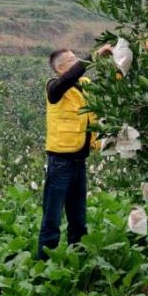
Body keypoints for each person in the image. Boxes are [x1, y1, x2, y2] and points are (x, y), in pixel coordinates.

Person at [37, 44, 112, 260]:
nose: (76, 62)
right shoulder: (55, 88)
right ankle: (43, 263)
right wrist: (94, 56)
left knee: (78, 217)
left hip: (79, 160)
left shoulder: (84, 85)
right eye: (72, 61)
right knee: (52, 217)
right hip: (60, 162)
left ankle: (77, 257)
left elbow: (105, 86)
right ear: (60, 69)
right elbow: (71, 77)